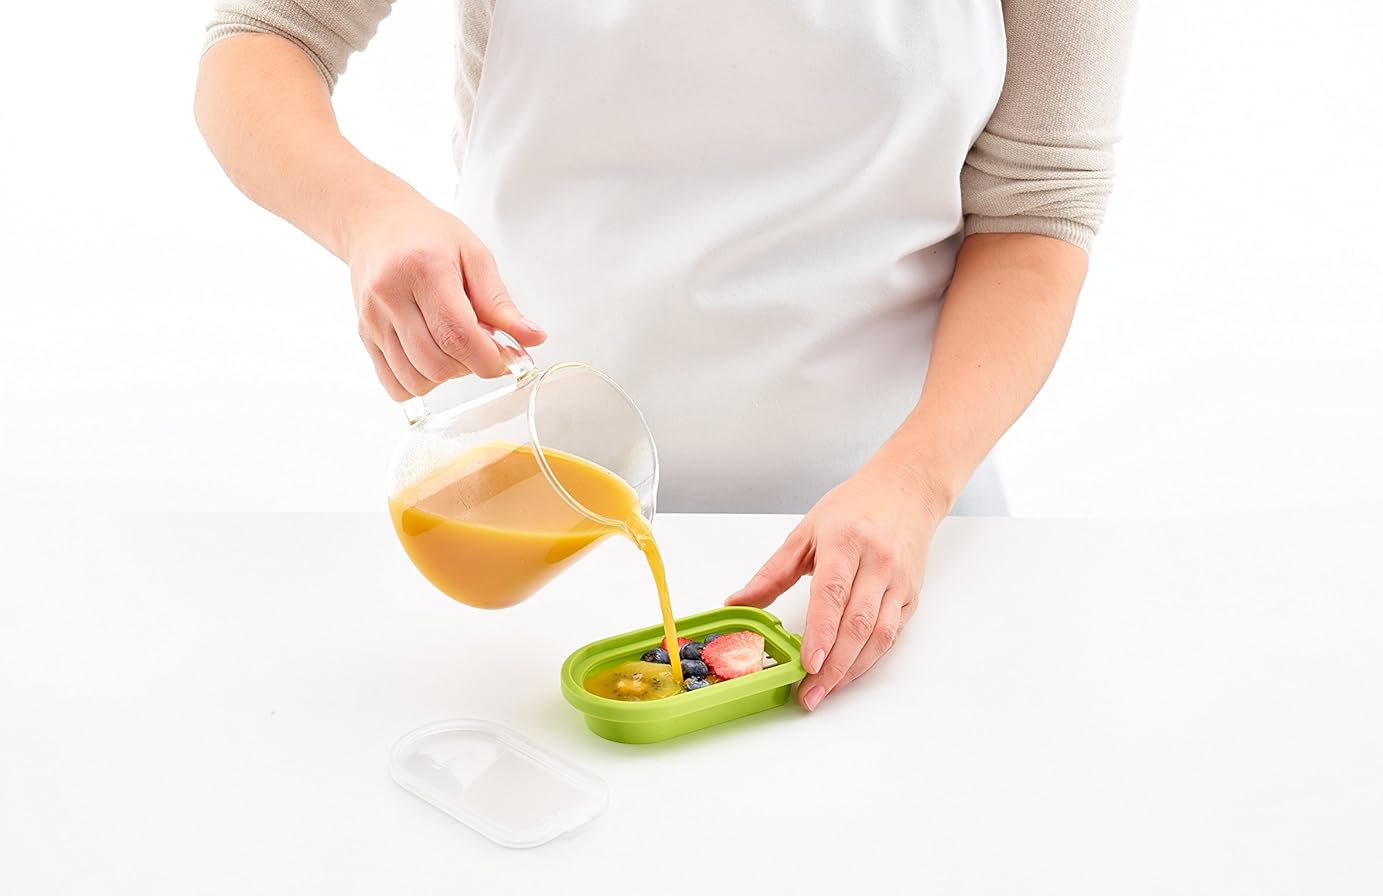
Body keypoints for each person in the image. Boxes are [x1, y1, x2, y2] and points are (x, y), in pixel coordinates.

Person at [196, 1, 1136, 711]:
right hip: (531, 539)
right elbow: (264, 36)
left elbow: (1039, 205)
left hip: (875, 559)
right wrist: (369, 216)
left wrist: (916, 481)